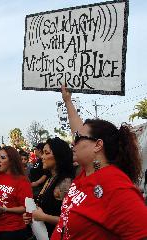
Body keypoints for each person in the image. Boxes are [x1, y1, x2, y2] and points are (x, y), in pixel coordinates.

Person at [51, 87, 147, 239]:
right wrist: (68, 101)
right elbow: (78, 129)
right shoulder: (87, 172)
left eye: (77, 139)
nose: (72, 143)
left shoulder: (115, 186)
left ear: (98, 145)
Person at [23, 138, 74, 238]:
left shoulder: (66, 182)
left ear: (59, 156)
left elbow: (72, 220)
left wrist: (44, 217)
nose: (42, 157)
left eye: (46, 153)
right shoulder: (51, 178)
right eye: (43, 153)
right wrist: (31, 216)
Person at [0, 146, 33, 240]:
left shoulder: (22, 180)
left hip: (13, 229)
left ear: (12, 161)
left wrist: (6, 210)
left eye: (3, 158)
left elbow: (26, 207)